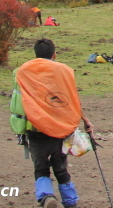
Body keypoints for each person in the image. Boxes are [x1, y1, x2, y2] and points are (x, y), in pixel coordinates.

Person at [12, 38, 93, 208]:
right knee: (61, 167)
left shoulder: (22, 71)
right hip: (60, 127)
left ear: (35, 54)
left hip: (35, 128)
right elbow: (73, 99)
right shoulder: (65, 71)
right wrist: (85, 120)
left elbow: (20, 100)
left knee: (41, 168)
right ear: (54, 54)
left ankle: (46, 197)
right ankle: (70, 201)